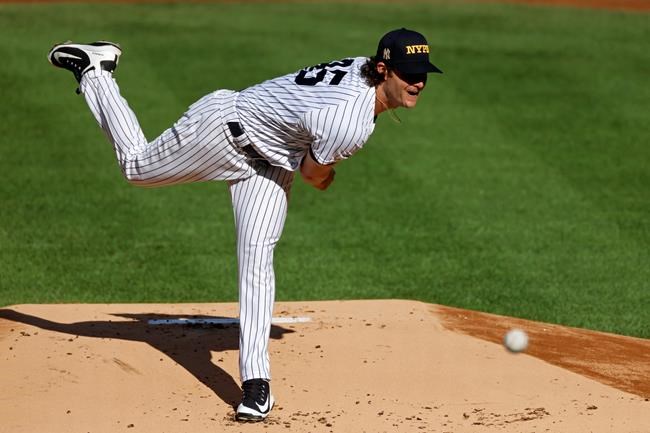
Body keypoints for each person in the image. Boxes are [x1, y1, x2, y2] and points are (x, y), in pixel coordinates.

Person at [47, 28, 442, 422]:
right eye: (408, 74)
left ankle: (256, 382)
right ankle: (96, 70)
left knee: (257, 257)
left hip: (272, 161)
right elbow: (313, 175)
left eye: (422, 72)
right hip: (222, 132)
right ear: (382, 69)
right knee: (136, 166)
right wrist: (328, 177)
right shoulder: (350, 122)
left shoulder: (360, 71)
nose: (418, 82)